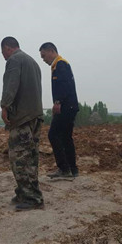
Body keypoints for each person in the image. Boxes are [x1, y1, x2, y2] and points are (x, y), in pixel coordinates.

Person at [0, 36, 44, 211]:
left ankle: (32, 198)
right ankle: (24, 192)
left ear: (7, 48)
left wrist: (5, 106)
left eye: (3, 52)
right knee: (31, 157)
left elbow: (11, 85)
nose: (3, 56)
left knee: (19, 158)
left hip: (22, 118)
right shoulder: (32, 62)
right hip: (35, 116)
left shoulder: (14, 60)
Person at [39, 42, 79, 179]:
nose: (44, 60)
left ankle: (64, 168)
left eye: (44, 56)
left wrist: (58, 102)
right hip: (70, 106)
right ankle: (72, 169)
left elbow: (64, 86)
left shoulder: (60, 64)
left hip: (66, 107)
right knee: (66, 137)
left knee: (53, 134)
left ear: (51, 51)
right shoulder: (61, 64)